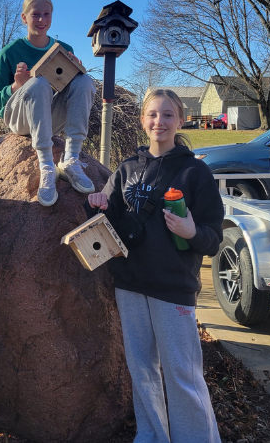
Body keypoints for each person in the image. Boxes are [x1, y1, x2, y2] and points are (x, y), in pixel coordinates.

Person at [86, 89, 224, 443]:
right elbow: (113, 224)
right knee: (141, 369)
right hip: (130, 284)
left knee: (182, 372)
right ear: (143, 120)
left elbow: (213, 237)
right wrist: (97, 204)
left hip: (173, 287)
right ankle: (151, 435)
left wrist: (192, 230)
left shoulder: (196, 172)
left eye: (166, 115)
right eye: (152, 115)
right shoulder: (127, 168)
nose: (158, 122)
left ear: (180, 120)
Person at [0, 0, 96, 207]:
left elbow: (69, 92)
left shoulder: (64, 50)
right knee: (38, 83)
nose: (41, 20)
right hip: (19, 118)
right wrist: (16, 85)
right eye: (35, 14)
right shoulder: (10, 52)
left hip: (49, 117)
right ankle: (47, 165)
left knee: (85, 80)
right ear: (24, 18)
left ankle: (70, 159)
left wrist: (74, 73)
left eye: (46, 14)